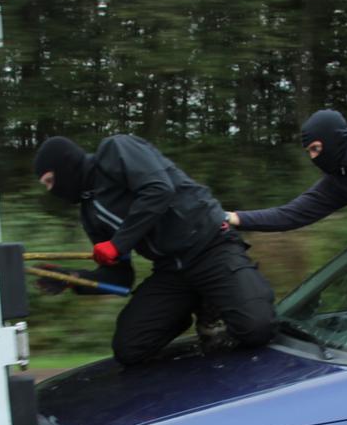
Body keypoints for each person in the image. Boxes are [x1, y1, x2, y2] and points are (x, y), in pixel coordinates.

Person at [33, 134, 276, 366]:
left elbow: (159, 190)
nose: (50, 190)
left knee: (256, 327)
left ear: (65, 165)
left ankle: (217, 299)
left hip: (210, 246)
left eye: (50, 181)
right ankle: (190, 305)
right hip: (171, 271)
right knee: (129, 349)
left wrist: (118, 243)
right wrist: (72, 279)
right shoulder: (90, 215)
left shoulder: (115, 150)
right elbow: (120, 279)